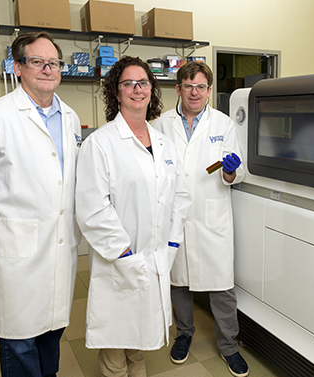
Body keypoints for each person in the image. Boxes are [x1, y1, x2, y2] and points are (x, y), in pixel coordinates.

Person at [0, 31, 82, 377]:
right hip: (16, 248)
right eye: (37, 61)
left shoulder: (69, 117)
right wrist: (1, 224)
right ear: (17, 67)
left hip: (59, 244)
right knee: (20, 337)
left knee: (52, 330)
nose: (47, 69)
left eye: (53, 63)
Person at [75, 56, 191, 377]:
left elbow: (180, 196)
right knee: (115, 346)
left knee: (139, 345)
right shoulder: (100, 143)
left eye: (143, 83)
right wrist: (123, 252)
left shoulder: (164, 144)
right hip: (120, 260)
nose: (137, 90)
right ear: (116, 91)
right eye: (129, 83)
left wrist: (170, 244)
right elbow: (92, 207)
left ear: (152, 90)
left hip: (157, 257)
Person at [151, 61, 248, 377]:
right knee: (178, 283)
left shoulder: (223, 125)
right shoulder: (160, 125)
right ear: (177, 89)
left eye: (201, 87)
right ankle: (184, 334)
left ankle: (229, 346)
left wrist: (231, 169)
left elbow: (235, 174)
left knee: (221, 287)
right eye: (188, 86)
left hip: (211, 217)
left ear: (209, 91)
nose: (195, 92)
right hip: (174, 217)